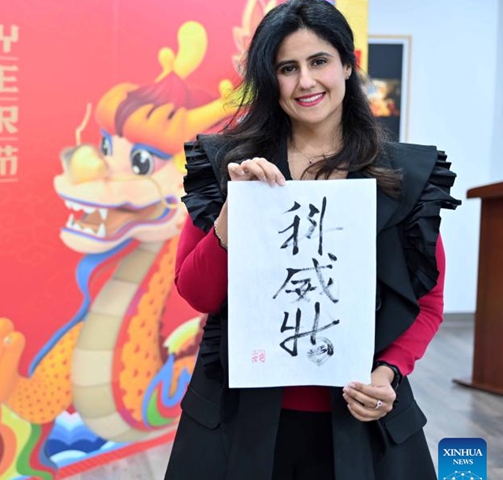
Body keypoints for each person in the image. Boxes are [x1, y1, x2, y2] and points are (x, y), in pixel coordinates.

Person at [164, 1, 460, 479]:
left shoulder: (404, 176)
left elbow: (428, 302)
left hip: (360, 420)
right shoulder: (228, 166)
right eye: (287, 68)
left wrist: (388, 372)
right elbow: (198, 293)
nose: (305, 81)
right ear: (270, 79)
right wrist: (233, 214)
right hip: (239, 418)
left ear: (348, 64)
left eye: (319, 61)